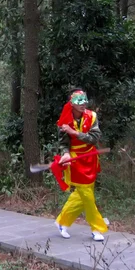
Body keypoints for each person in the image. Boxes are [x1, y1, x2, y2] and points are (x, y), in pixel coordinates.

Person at [55, 90, 108, 242]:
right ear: (71, 104)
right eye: (79, 101)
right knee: (86, 194)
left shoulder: (92, 117)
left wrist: (75, 132)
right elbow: (63, 144)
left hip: (90, 158)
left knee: (82, 194)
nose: (83, 104)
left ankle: (62, 222)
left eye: (84, 100)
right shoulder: (64, 121)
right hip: (75, 160)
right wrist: (65, 154)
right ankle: (97, 228)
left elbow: (94, 138)